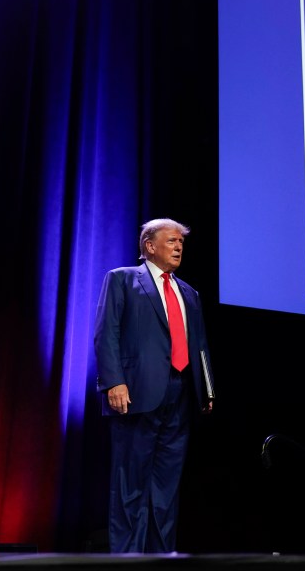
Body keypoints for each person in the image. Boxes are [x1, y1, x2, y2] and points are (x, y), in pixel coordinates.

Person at [94, 218, 215, 553]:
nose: (178, 247)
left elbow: (200, 345)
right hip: (136, 393)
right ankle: (127, 560)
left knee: (166, 488)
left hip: (180, 396)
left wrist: (206, 390)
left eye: (181, 243)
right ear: (149, 245)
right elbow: (107, 334)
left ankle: (162, 559)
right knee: (130, 485)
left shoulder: (189, 293)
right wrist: (113, 382)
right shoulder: (122, 280)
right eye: (172, 241)